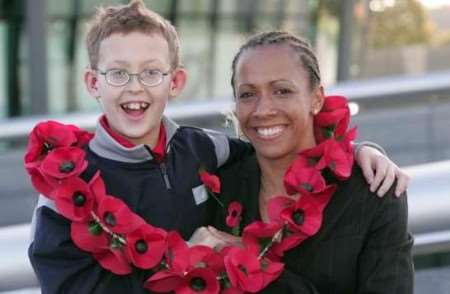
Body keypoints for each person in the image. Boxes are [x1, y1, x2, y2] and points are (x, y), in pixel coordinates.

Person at [26, 1, 409, 293]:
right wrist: (196, 262)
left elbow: (290, 144)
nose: (135, 86)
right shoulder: (64, 198)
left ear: (175, 82)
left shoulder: (204, 153)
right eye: (118, 73)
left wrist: (360, 150)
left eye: (151, 72)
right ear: (93, 83)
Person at [198, 31, 414, 293]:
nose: (263, 110)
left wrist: (253, 263)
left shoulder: (373, 193)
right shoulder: (221, 187)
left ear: (317, 99)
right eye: (247, 94)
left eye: (282, 91)